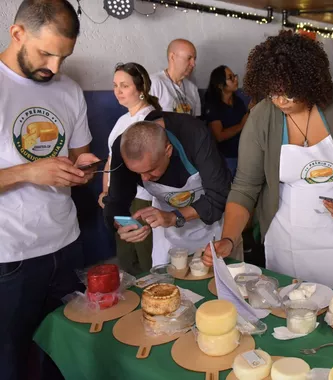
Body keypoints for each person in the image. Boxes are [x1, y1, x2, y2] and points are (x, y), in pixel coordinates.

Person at [202, 31, 333, 292]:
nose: (280, 102)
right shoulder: (262, 117)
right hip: (288, 237)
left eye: (289, 94)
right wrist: (229, 239)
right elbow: (245, 186)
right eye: (273, 94)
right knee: (290, 306)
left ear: (309, 83)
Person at [0, 1, 98, 379]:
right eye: (46, 53)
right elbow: (37, 171)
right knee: (10, 360)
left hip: (66, 244)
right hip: (10, 258)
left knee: (65, 355)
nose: (54, 68)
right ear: (17, 33)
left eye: (64, 57)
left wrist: (82, 171)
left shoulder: (68, 89)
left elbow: (79, 156)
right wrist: (28, 172)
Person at [103, 112, 240, 266]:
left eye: (151, 170)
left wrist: (174, 217)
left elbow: (218, 197)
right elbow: (115, 202)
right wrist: (124, 226)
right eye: (137, 173)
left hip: (214, 226)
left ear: (168, 150)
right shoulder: (124, 147)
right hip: (167, 230)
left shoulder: (194, 135)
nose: (144, 179)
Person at [98, 63, 161, 275]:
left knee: (145, 253)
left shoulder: (151, 120)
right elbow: (110, 159)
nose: (118, 91)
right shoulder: (122, 120)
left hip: (141, 197)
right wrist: (106, 192)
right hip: (119, 198)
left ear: (141, 89)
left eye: (124, 85)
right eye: (115, 85)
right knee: (125, 253)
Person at [204, 65, 250, 177]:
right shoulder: (213, 105)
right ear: (220, 85)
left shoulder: (238, 101)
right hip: (225, 158)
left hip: (243, 153)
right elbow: (219, 136)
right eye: (231, 78)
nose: (235, 80)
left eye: (235, 76)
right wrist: (241, 125)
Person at [150, 39, 201, 116]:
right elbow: (146, 122)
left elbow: (197, 120)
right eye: (189, 58)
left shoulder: (192, 88)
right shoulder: (154, 83)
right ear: (172, 57)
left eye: (194, 59)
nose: (193, 64)